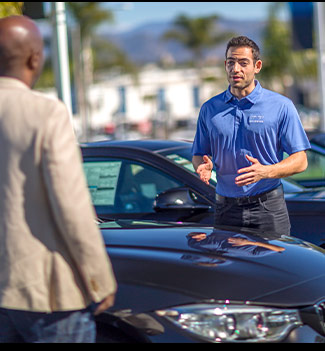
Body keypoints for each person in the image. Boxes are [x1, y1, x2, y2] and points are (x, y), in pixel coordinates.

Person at [0, 15, 117, 343]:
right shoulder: (45, 112)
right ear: (34, 57)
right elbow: (71, 206)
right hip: (46, 295)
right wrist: (99, 280)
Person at [192, 36, 311, 236]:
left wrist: (266, 172)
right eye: (231, 62)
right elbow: (199, 155)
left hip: (267, 208)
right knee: (229, 268)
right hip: (225, 209)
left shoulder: (281, 106)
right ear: (225, 65)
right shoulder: (209, 109)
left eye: (243, 63)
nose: (235, 69)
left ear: (257, 66)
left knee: (274, 267)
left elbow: (301, 161)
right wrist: (202, 166)